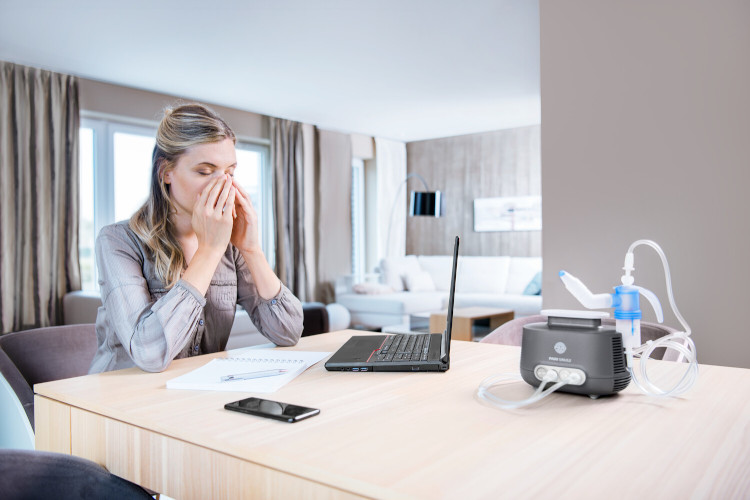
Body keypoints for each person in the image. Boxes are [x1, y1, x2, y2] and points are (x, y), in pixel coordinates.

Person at [89, 103, 303, 374]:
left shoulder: (231, 247)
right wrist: (209, 251)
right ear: (166, 172)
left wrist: (252, 250)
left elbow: (289, 332)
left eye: (230, 173)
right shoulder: (117, 241)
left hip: (193, 395)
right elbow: (150, 353)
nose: (223, 185)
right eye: (204, 171)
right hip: (115, 400)